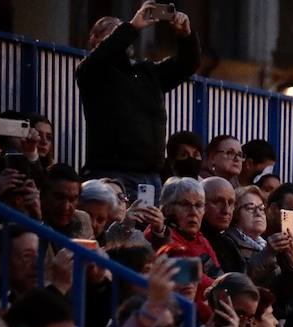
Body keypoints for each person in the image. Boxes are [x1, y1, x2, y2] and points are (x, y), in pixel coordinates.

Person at [77, 2, 201, 197]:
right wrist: (132, 27)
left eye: (122, 32)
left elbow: (187, 64)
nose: (122, 39)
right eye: (112, 35)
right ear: (95, 41)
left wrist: (186, 36)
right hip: (111, 174)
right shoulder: (92, 73)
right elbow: (103, 56)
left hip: (150, 177)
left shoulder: (147, 72)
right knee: (116, 225)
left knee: (147, 227)